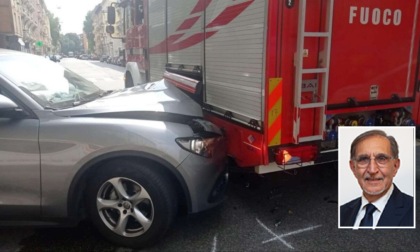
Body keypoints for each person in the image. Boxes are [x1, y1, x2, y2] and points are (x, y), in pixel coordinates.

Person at [340, 129, 413, 228]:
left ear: (395, 166)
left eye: (381, 159)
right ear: (353, 167)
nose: (372, 170)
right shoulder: (342, 212)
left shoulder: (412, 211)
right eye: (363, 160)